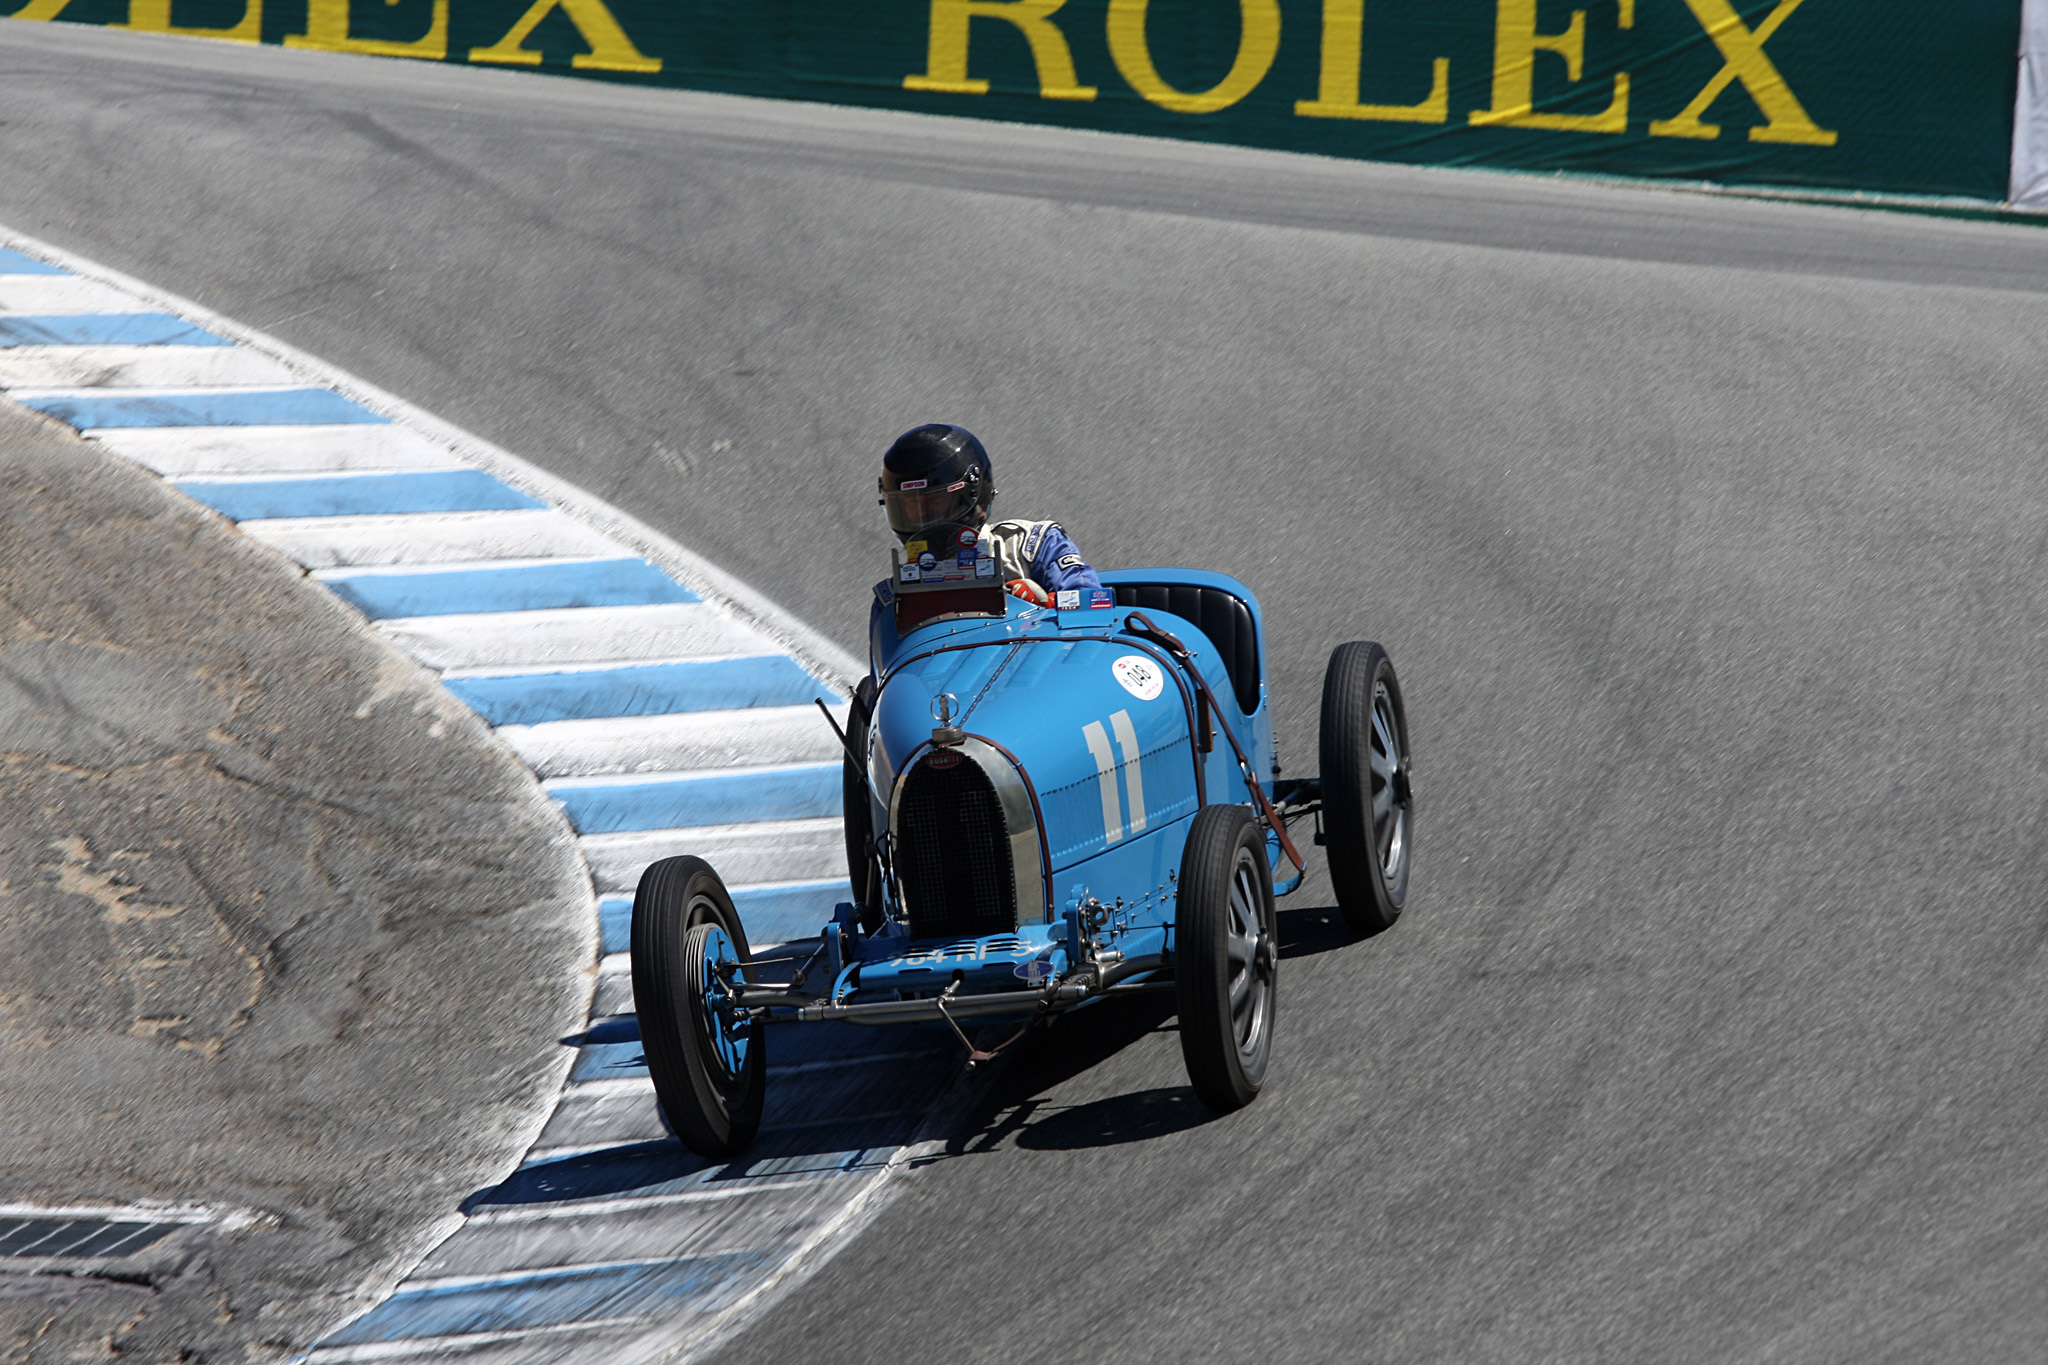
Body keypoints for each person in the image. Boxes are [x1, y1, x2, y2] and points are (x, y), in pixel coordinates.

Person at [877, 423, 1101, 605]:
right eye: (910, 505)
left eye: (935, 500)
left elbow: (1091, 603)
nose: (923, 515)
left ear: (971, 493)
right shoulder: (894, 597)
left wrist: (1042, 606)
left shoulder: (1032, 545)